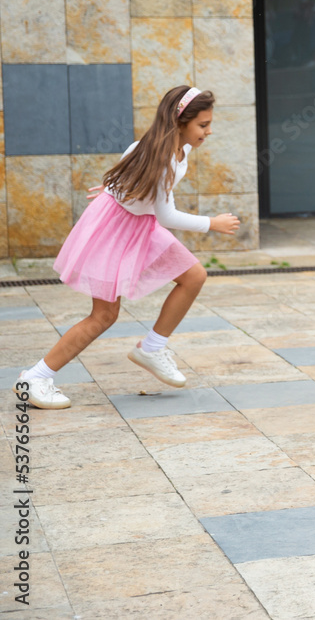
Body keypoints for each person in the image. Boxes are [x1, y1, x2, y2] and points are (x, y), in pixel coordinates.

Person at [13, 87, 241, 409]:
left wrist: (113, 189)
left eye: (209, 124)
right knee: (104, 316)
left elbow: (137, 176)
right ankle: (35, 378)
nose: (209, 131)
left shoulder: (179, 152)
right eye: (203, 125)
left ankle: (152, 347)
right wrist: (211, 223)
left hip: (140, 227)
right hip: (116, 233)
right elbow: (166, 214)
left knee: (194, 276)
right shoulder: (160, 157)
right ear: (180, 122)